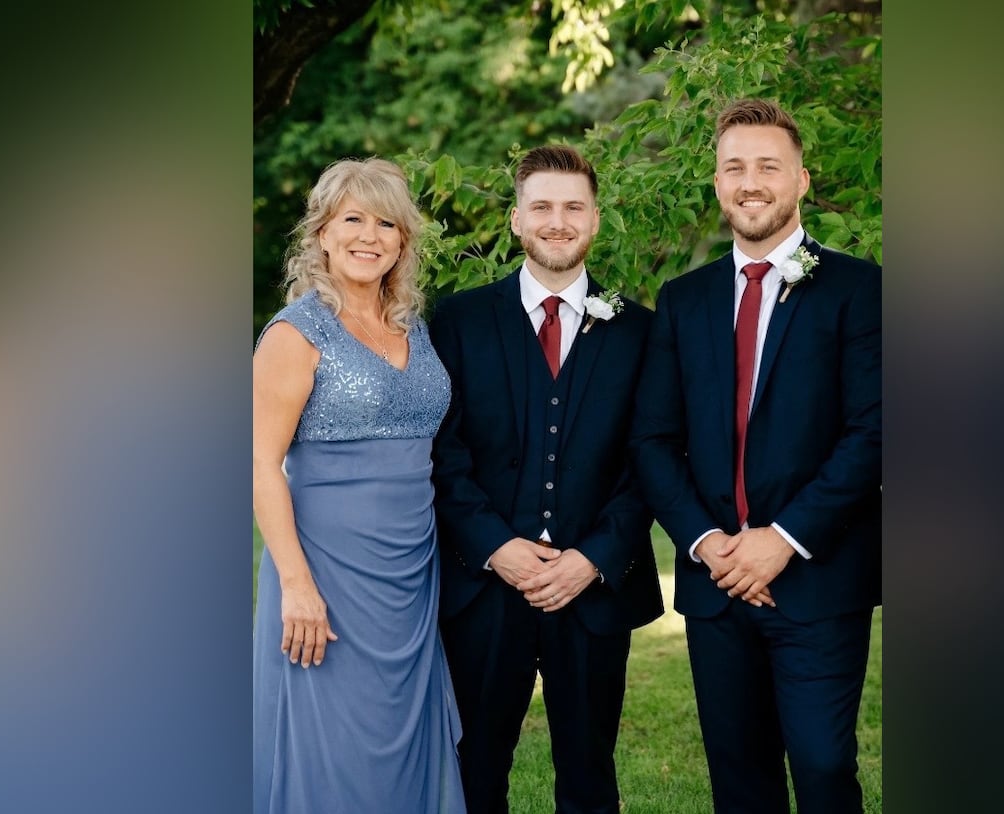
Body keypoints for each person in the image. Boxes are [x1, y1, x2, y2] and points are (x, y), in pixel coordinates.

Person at [632, 99, 882, 813]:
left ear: (801, 180)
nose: (751, 182)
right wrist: (710, 546)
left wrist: (783, 540)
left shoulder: (861, 289)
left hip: (818, 575)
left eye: (768, 166)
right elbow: (652, 440)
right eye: (734, 167)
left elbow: (877, 431)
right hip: (716, 586)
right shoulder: (684, 300)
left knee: (824, 764)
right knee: (739, 780)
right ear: (716, 183)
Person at [430, 145, 663, 814]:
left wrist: (593, 558)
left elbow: (650, 456)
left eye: (572, 207)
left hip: (592, 592)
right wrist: (497, 547)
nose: (557, 221)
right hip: (483, 587)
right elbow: (443, 453)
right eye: (542, 207)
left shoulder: (640, 330)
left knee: (589, 771)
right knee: (473, 766)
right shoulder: (459, 321)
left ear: (595, 219)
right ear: (515, 220)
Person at [252, 157, 465, 814]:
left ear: (403, 240)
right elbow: (259, 462)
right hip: (325, 579)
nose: (369, 235)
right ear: (321, 232)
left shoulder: (414, 329)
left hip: (409, 578)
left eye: (386, 223)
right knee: (334, 754)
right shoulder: (295, 333)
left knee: (403, 749)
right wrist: (295, 585)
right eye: (352, 219)